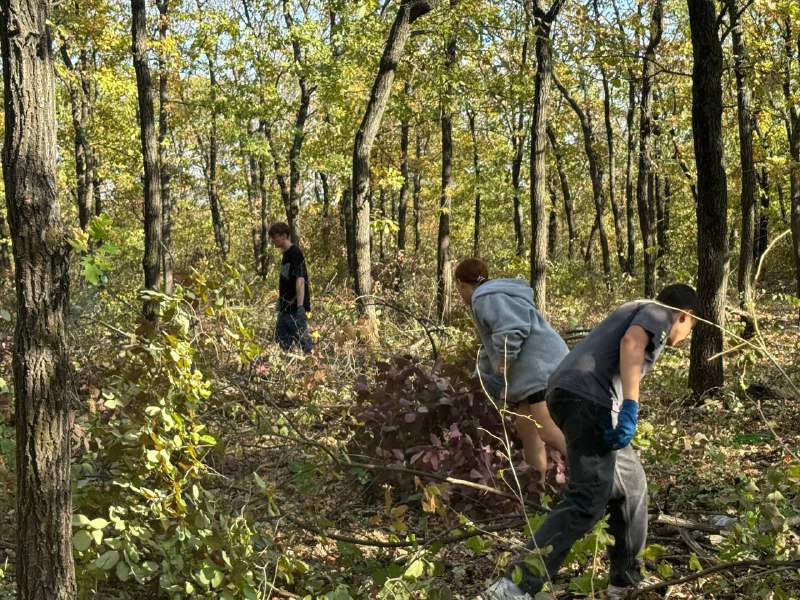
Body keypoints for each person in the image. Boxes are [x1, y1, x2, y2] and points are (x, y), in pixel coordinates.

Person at [483, 284, 699, 600]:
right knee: (588, 497)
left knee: (631, 486)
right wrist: (631, 407)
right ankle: (514, 585)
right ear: (686, 315)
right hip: (589, 399)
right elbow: (632, 343)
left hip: (575, 393)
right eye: (690, 328)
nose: (685, 336)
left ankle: (625, 584)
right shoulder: (658, 311)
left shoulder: (635, 306)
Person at [454, 258, 568, 487]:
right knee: (526, 429)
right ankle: (537, 492)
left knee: (546, 431)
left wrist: (500, 373)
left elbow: (510, 333)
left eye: (458, 289)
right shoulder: (492, 296)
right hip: (543, 365)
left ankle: (597, 480)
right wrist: (482, 377)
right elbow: (491, 347)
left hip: (540, 370)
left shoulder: (484, 298)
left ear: (460, 284)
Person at [269, 222, 312, 354]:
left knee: (304, 344)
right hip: (285, 308)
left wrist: (300, 307)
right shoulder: (286, 254)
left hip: (295, 309)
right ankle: (284, 371)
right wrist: (280, 301)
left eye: (274, 237)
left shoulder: (295, 253)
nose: (272, 240)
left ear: (284, 236)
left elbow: (300, 279)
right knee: (281, 343)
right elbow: (287, 281)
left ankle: (314, 369)